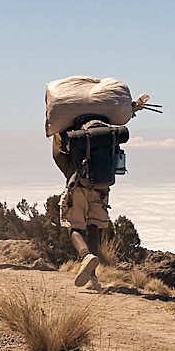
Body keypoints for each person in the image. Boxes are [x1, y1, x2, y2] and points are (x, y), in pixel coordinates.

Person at [51, 113, 129, 286]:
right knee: (94, 227)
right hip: (102, 187)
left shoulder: (65, 129)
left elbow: (59, 156)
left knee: (75, 226)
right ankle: (92, 278)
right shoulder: (106, 125)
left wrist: (70, 173)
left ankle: (86, 256)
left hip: (78, 183)